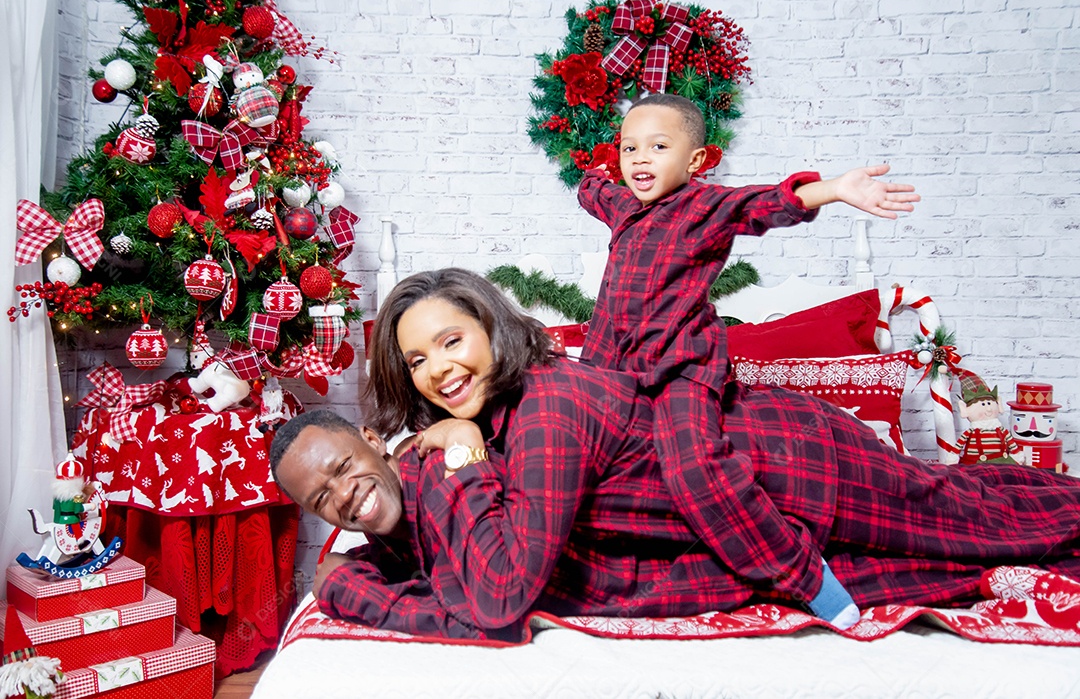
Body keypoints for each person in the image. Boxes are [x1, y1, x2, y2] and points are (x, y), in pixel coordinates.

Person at [271, 267, 1080, 640]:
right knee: (960, 536)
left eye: (452, 340)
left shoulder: (545, 410)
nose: (440, 369)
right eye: (416, 361)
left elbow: (501, 593)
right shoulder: (490, 417)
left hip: (794, 466)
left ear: (491, 328)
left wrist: (469, 461)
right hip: (739, 515)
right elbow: (454, 554)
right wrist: (350, 576)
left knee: (981, 519)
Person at [577, 94, 922, 626]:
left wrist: (833, 189)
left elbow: (763, 205)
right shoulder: (623, 206)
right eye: (631, 148)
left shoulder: (703, 206)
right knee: (575, 451)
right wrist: (600, 167)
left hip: (677, 369)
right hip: (609, 366)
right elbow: (592, 187)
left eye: (658, 147)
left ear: (695, 162)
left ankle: (803, 574)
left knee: (694, 467)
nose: (640, 159)